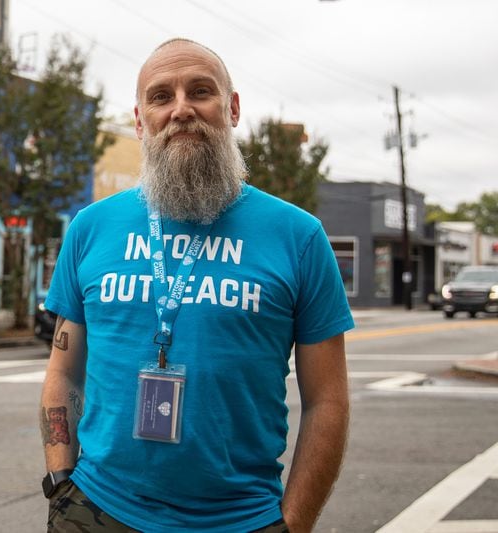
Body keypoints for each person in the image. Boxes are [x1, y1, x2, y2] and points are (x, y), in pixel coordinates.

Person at [40, 38, 353, 533]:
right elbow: (64, 370)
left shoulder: (299, 237)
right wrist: (60, 482)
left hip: (241, 519)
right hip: (98, 509)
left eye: (200, 91)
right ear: (141, 121)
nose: (182, 109)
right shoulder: (91, 228)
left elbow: (327, 401)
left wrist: (293, 525)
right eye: (161, 96)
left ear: (231, 108)